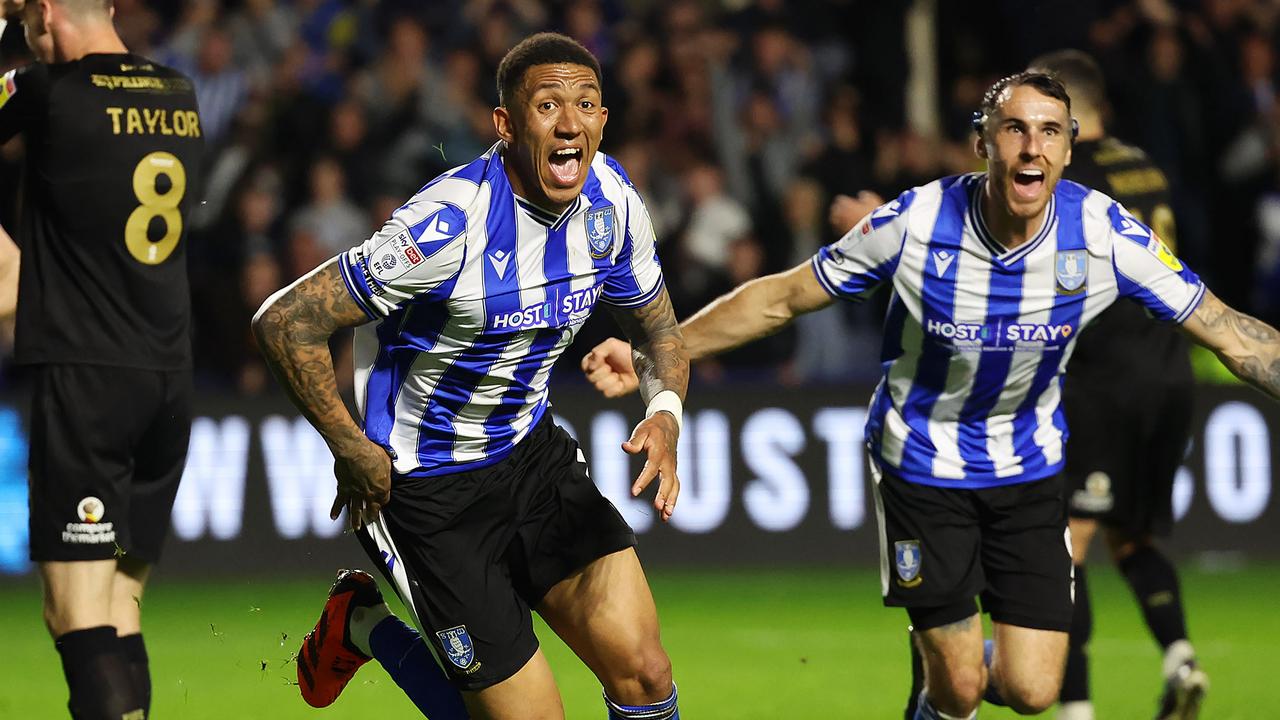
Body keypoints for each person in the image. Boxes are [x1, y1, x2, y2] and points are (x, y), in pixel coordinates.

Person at [583, 71, 1280, 719]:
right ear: (983, 143)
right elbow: (783, 298)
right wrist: (656, 349)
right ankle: (944, 674)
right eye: (1013, 128)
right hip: (922, 467)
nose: (1032, 145)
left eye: (1050, 131)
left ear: (1070, 150)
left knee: (1035, 691)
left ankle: (949, 662)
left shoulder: (1103, 234)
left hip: (1030, 470)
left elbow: (1229, 332)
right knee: (960, 692)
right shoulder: (916, 224)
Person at [253, 32, 688, 720]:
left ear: (604, 119)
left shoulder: (614, 204)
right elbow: (286, 321)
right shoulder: (448, 224)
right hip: (427, 490)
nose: (570, 122)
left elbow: (658, 330)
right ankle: (363, 623)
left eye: (586, 104)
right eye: (548, 105)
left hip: (532, 458)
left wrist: (664, 409)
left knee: (645, 673)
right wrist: (351, 445)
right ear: (506, 124)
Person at [0, 1, 204, 718]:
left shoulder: (45, 93)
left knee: (75, 615)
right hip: (168, 380)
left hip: (88, 379)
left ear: (45, 13)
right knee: (120, 609)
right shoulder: (179, 95)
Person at [1028, 50, 1208, 720]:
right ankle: (1180, 656)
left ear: (1065, 114)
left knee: (1065, 543)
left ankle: (1077, 709)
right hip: (1169, 372)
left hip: (1104, 378)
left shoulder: (1075, 183)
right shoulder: (1145, 164)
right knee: (1134, 537)